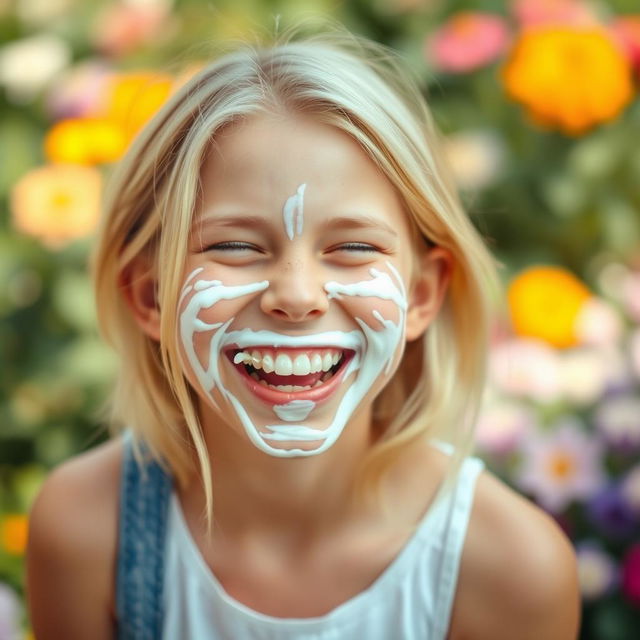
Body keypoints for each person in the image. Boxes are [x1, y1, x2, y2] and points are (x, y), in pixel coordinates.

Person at [26, 31, 580, 639]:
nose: (295, 296)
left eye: (352, 248)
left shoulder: (509, 569)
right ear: (150, 295)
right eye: (235, 246)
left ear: (422, 295)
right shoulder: (86, 531)